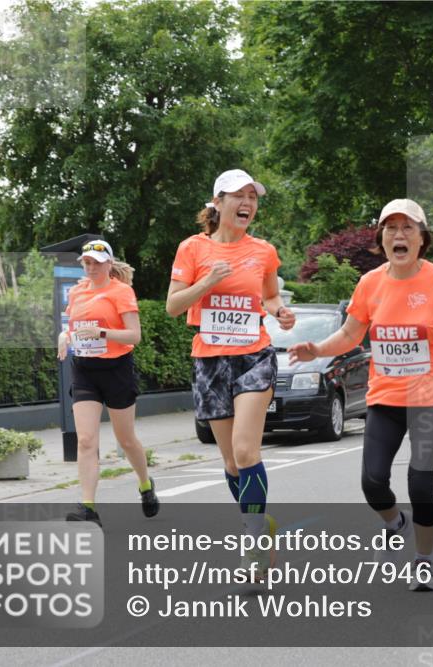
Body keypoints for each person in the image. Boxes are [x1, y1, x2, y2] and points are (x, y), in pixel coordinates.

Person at [289, 198, 433, 591]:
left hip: (430, 400)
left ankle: (423, 560)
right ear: (381, 240)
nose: (398, 235)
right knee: (372, 483)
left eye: (407, 228)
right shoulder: (371, 283)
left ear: (422, 239)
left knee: (421, 484)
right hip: (384, 399)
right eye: (390, 228)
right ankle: (394, 523)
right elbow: (352, 333)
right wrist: (316, 349)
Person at [166, 169, 295, 575]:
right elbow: (172, 305)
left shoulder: (263, 251)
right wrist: (207, 282)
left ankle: (253, 541)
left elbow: (270, 296)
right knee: (230, 462)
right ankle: (259, 526)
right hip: (210, 360)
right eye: (238, 196)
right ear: (217, 203)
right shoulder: (192, 249)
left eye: (252, 197)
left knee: (245, 450)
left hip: (254, 356)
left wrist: (281, 312)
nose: (248, 204)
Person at [60, 240, 158, 526]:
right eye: (86, 262)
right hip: (84, 370)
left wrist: (102, 333)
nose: (91, 267)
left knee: (126, 440)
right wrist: (63, 337)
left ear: (108, 264)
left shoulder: (121, 292)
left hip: (117, 370)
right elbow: (71, 328)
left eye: (96, 262)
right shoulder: (77, 292)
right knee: (87, 440)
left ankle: (145, 485)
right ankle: (88, 508)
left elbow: (134, 336)